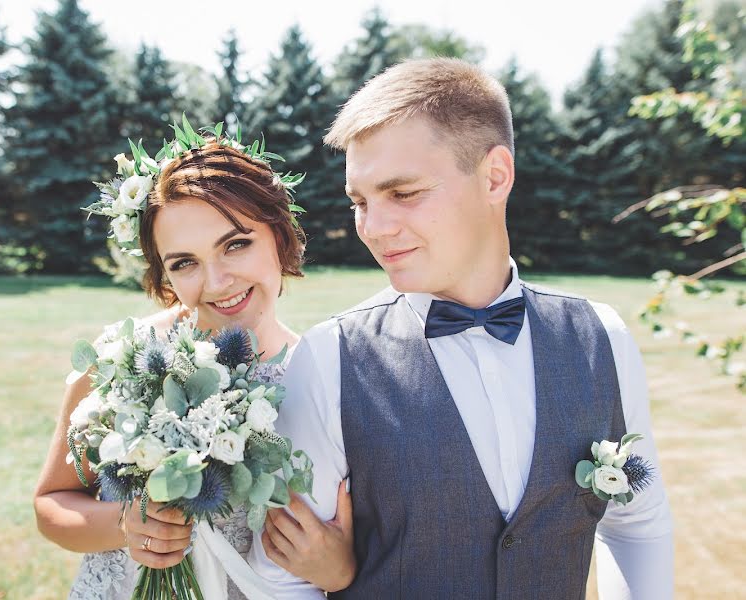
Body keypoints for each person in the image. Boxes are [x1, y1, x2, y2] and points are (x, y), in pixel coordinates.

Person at [250, 57, 675, 599]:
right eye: (360, 201)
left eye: (403, 193)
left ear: (494, 176)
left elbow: (637, 526)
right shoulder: (330, 357)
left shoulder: (602, 337)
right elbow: (283, 577)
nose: (373, 228)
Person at [33, 135, 356, 599]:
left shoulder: (322, 381)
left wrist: (340, 571)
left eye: (236, 244)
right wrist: (125, 524)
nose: (217, 282)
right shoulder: (120, 362)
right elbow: (51, 506)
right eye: (185, 263)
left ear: (280, 237)